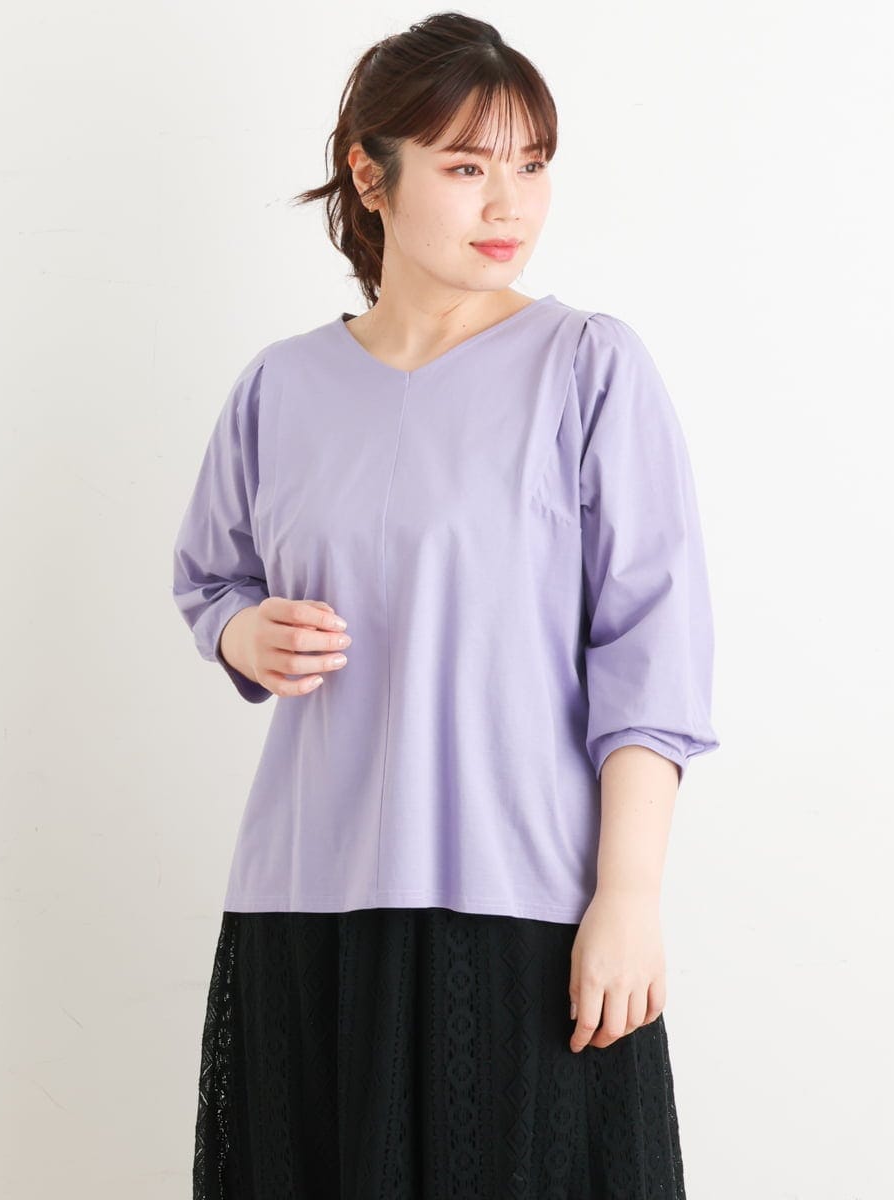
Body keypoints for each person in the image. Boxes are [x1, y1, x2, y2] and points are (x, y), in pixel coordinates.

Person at [172, 12, 720, 1199]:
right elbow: (210, 581)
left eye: (532, 165)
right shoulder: (280, 386)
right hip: (307, 903)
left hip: (525, 907)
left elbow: (650, 658)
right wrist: (242, 632)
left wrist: (627, 898)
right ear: (371, 176)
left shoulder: (588, 367)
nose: (508, 204)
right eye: (467, 168)